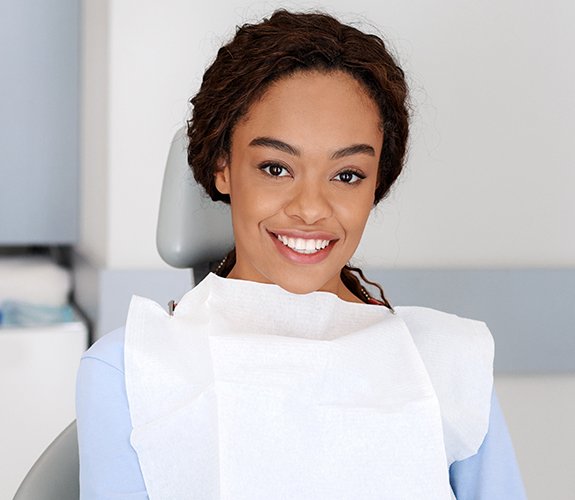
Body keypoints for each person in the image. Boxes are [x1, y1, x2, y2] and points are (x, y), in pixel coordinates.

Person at [76, 9, 527, 499]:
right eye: (275, 168)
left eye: (347, 175)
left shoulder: (450, 364)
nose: (311, 209)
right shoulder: (131, 369)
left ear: (377, 184)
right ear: (222, 167)